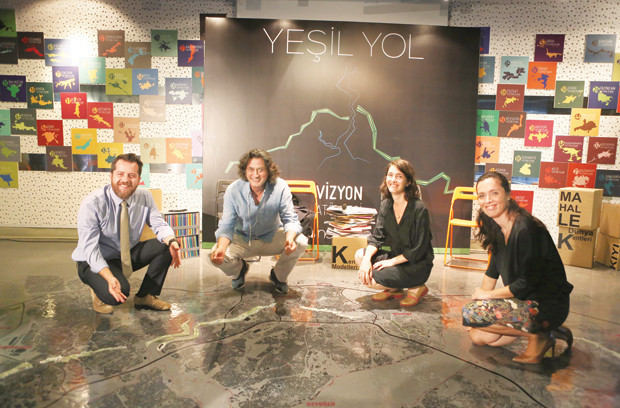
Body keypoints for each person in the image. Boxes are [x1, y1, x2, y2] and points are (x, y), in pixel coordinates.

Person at [462, 171, 574, 364]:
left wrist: (485, 300)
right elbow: (492, 271)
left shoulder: (525, 228)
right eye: (482, 195)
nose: (488, 200)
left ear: (507, 194)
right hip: (524, 300)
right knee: (478, 336)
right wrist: (481, 302)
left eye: (494, 193)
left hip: (547, 304)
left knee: (470, 313)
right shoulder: (495, 225)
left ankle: (541, 335)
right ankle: (546, 329)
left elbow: (527, 283)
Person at [72, 153, 181, 314]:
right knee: (118, 294)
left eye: (131, 175)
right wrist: (109, 277)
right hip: (92, 260)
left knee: (166, 245)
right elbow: (90, 249)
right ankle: (97, 289)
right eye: (120, 174)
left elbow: (158, 223)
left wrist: (172, 241)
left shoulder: (145, 197)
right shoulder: (93, 203)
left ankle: (145, 296)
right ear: (111, 175)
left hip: (125, 255)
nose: (125, 180)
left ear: (138, 178)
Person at [210, 149, 308, 293]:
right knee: (216, 253)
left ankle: (278, 276)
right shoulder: (233, 190)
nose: (255, 175)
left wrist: (289, 239)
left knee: (301, 242)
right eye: (251, 169)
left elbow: (290, 219)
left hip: (271, 237)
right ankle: (239, 270)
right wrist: (221, 248)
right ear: (245, 170)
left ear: (269, 171)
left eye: (260, 169)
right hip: (243, 239)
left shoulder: (280, 187)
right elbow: (226, 225)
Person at [355, 159, 434, 307]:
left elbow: (419, 249)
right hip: (397, 257)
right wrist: (366, 260)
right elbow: (377, 237)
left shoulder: (419, 209)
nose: (393, 180)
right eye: (390, 175)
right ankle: (394, 289)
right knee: (360, 255)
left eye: (399, 176)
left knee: (373, 280)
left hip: (416, 264)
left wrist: (391, 262)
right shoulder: (386, 204)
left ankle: (416, 287)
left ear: (408, 182)